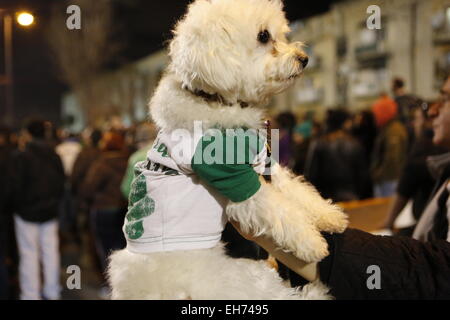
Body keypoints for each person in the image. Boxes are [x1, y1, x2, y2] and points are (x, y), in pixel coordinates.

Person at [230, 76, 450, 299]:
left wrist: (317, 249)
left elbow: (433, 272)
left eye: (447, 98)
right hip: (340, 205)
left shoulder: (321, 143)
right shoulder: (437, 167)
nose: (433, 112)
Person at [10, 119, 65, 300]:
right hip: (49, 211)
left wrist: (17, 205)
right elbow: (61, 183)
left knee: (28, 253)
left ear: (28, 134)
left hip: (26, 213)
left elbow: (16, 186)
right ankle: (52, 290)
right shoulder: (54, 155)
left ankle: (30, 294)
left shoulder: (21, 156)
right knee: (50, 252)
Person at [383, 103, 448, 235]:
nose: (414, 124)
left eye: (417, 119)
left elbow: (405, 186)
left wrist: (388, 222)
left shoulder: (423, 146)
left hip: (433, 228)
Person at [80, 130, 128, 275]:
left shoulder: (101, 164)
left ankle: (109, 283)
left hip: (103, 210)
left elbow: (88, 188)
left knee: (106, 249)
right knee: (122, 247)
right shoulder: (128, 161)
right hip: (123, 208)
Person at [304, 109, 371, 202]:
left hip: (326, 199)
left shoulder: (319, 143)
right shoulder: (355, 143)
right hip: (352, 196)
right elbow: (362, 175)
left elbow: (312, 174)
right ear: (344, 123)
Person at [370, 93, 409, 197]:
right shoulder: (390, 128)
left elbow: (392, 157)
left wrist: (378, 173)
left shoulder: (393, 130)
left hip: (390, 179)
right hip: (390, 178)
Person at [120, 122, 157, 199]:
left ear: (139, 141)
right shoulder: (168, 153)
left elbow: (127, 189)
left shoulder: (136, 158)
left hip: (146, 204)